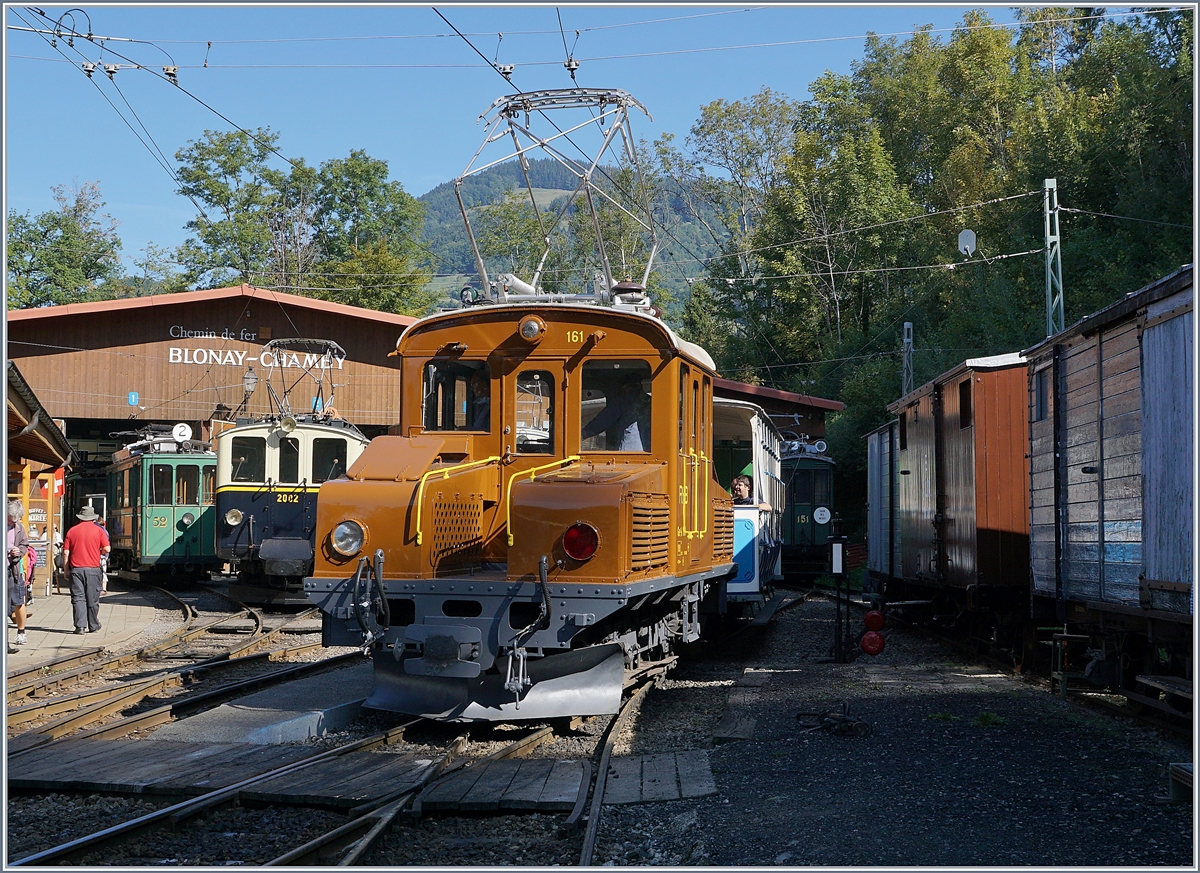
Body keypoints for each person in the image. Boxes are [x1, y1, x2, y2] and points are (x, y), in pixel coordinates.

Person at [61, 505, 111, 635]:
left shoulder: (72, 531)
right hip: (93, 569)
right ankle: (93, 625)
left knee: (78, 598)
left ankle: (80, 627)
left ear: (80, 517)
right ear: (93, 518)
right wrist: (97, 550)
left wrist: (66, 570)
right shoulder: (99, 530)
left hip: (76, 570)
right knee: (93, 598)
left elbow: (65, 553)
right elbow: (107, 549)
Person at [581, 371, 651, 451]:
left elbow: (603, 420)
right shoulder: (650, 401)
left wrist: (583, 434)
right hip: (652, 450)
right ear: (640, 385)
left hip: (631, 449)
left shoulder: (623, 400)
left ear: (624, 388)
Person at [7, 499, 30, 650]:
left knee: (18, 600)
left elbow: (24, 545)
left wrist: (18, 552)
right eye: (11, 518)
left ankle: (21, 632)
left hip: (13, 569)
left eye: (16, 519)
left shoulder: (19, 528)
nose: (13, 521)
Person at [467, 367, 491, 431]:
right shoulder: (483, 404)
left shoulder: (493, 406)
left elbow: (489, 431)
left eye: (474, 385)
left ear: (484, 385)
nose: (472, 389)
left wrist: (469, 430)